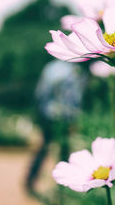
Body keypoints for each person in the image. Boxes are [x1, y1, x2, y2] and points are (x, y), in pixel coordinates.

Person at [25, 60, 86, 195]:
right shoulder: (75, 71)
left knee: (43, 149)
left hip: (47, 114)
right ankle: (63, 188)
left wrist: (39, 115)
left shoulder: (50, 66)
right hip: (64, 117)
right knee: (64, 151)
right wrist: (73, 119)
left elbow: (40, 93)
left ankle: (30, 180)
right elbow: (75, 98)